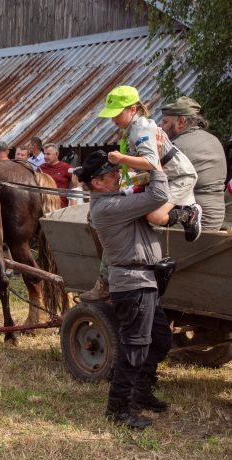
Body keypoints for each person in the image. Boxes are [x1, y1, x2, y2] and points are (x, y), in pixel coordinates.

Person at [75, 150, 172, 429]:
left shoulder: (116, 200)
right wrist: (152, 163)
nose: (119, 175)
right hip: (133, 284)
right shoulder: (106, 207)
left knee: (161, 339)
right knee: (134, 349)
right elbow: (157, 196)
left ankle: (140, 392)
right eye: (112, 174)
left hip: (144, 281)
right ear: (97, 183)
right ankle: (117, 409)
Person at [80, 86, 202, 301]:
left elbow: (151, 162)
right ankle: (105, 279)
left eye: (117, 113)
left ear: (133, 109)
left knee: (154, 216)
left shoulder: (142, 128)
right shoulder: (131, 128)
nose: (114, 119)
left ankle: (189, 213)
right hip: (154, 177)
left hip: (177, 177)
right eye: (112, 115)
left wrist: (121, 159)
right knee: (116, 214)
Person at [160, 96, 227, 231]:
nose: (161, 127)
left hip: (195, 221)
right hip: (216, 216)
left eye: (165, 122)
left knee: (138, 222)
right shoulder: (213, 139)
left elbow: (156, 179)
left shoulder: (177, 147)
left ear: (181, 122)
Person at [39, 143, 72, 208]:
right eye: (44, 154)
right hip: (43, 206)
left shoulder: (66, 167)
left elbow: (79, 181)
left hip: (60, 207)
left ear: (56, 154)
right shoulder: (40, 168)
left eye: (48, 154)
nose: (45, 157)